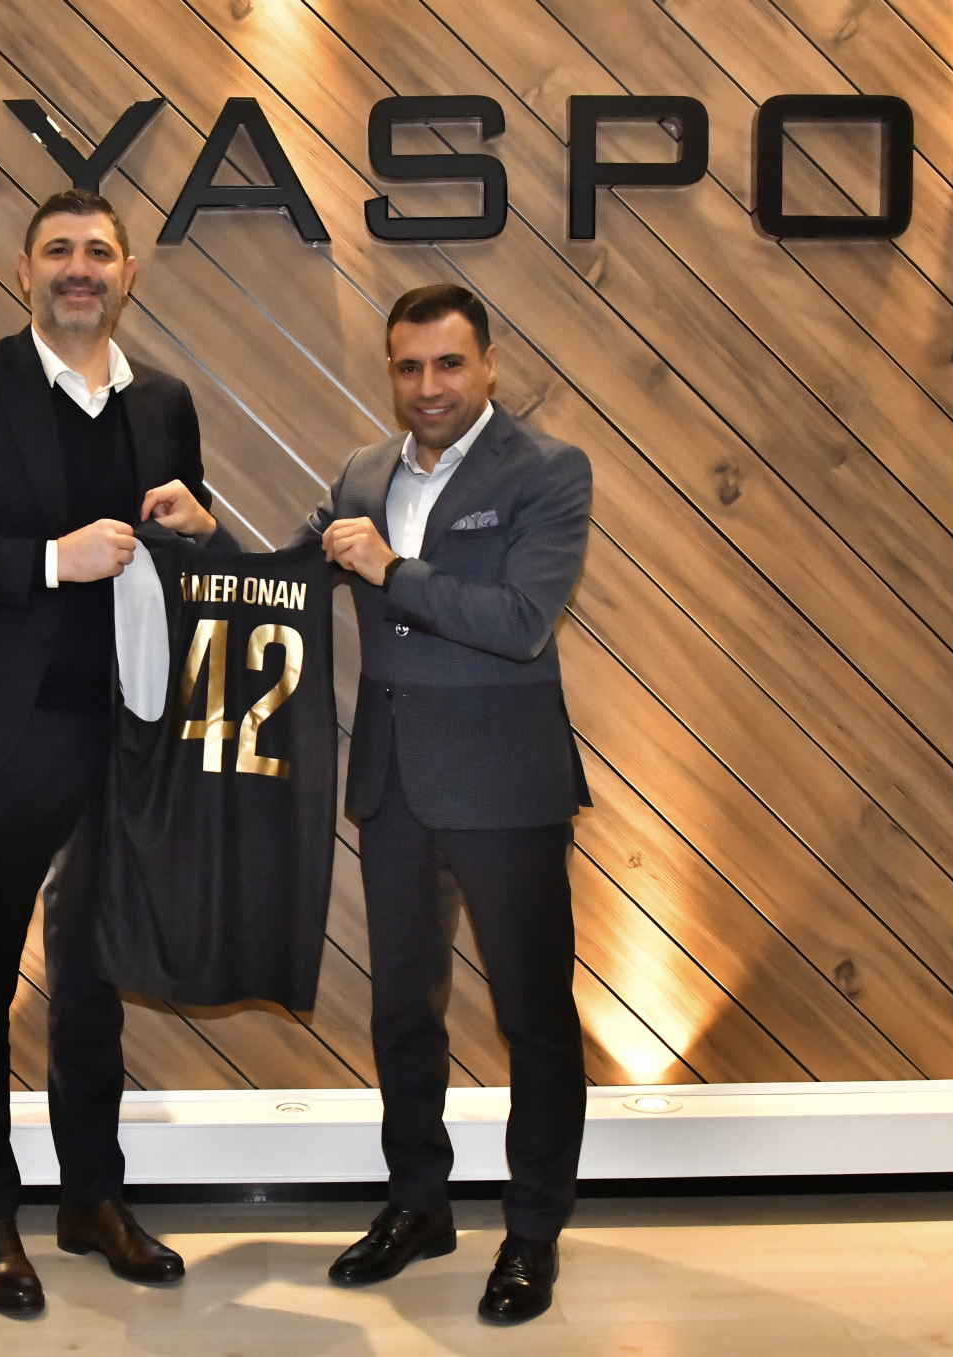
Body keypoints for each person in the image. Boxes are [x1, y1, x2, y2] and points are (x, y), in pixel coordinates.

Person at [0, 189, 233, 1316]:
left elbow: (180, 556)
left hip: (123, 734)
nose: (81, 268)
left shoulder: (163, 402)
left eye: (99, 252)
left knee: (91, 982)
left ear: (129, 274)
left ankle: (90, 1198)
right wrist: (46, 560)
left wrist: (201, 529)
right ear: (24, 271)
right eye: (59, 251)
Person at [300, 284, 593, 1323]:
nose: (429, 385)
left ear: (489, 364)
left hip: (505, 784)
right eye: (409, 366)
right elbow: (297, 566)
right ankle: (418, 1203)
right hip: (393, 786)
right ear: (392, 370)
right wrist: (204, 534)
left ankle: (532, 1231)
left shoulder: (549, 469)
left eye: (449, 363)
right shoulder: (361, 471)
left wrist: (393, 568)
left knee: (533, 1019)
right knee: (401, 1010)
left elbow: (519, 621)